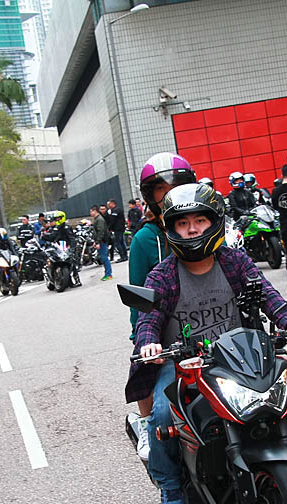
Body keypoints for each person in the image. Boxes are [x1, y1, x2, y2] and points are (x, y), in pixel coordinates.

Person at [126, 183, 287, 504]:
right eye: (183, 223)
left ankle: (274, 459)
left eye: (199, 220)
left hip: (237, 357)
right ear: (172, 229)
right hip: (184, 363)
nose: (192, 229)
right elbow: (148, 320)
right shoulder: (164, 275)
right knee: (161, 415)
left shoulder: (235, 261)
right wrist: (149, 344)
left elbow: (268, 294)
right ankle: (170, 483)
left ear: (214, 222)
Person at [127, 151, 192, 461]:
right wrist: (142, 338)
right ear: (150, 196)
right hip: (164, 336)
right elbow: (138, 297)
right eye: (161, 189)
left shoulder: (205, 225)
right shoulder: (144, 239)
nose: (170, 195)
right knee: (161, 413)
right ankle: (146, 432)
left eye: (177, 187)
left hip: (210, 329)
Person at [43, 211, 82, 287]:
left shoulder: (66, 227)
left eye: (58, 218)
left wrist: (72, 248)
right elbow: (52, 237)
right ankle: (50, 278)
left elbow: (72, 238)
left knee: (71, 262)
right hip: (58, 247)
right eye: (56, 218)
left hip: (66, 246)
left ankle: (77, 279)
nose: (57, 220)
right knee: (50, 259)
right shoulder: (55, 228)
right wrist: (44, 236)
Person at [90, 205, 112, 282]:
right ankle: (107, 273)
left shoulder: (99, 220)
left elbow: (101, 232)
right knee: (103, 257)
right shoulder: (96, 219)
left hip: (102, 241)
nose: (90, 213)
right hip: (100, 241)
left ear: (95, 211)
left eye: (91, 211)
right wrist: (95, 241)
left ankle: (108, 274)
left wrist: (98, 242)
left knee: (104, 257)